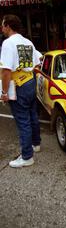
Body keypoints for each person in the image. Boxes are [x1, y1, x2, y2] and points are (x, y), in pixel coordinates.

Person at [0, 14, 41, 168]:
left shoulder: (8, 43)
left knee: (23, 120)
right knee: (32, 115)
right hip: (30, 80)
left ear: (8, 26)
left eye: (3, 25)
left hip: (18, 84)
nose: (2, 28)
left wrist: (4, 92)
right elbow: (38, 61)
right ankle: (36, 144)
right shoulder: (28, 42)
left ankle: (26, 156)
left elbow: (6, 71)